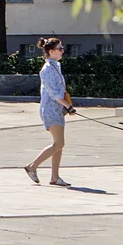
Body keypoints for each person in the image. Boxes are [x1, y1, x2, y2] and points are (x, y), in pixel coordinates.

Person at [24, 37, 74, 186]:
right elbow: (53, 93)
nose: (62, 51)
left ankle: (54, 177)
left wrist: (65, 106)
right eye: (60, 49)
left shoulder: (56, 66)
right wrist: (68, 106)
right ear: (51, 51)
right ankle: (32, 166)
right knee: (59, 143)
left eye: (62, 48)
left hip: (57, 108)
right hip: (50, 109)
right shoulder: (46, 70)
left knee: (58, 144)